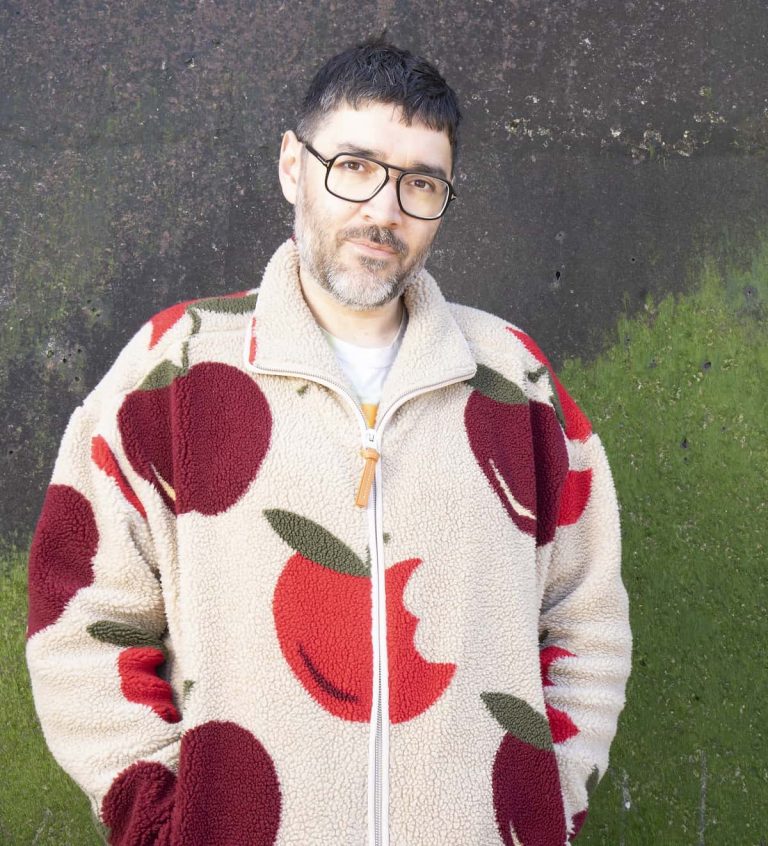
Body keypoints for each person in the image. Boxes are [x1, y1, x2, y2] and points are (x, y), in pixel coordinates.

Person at [26, 38, 631, 846]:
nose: (385, 210)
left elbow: (587, 619)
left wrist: (534, 810)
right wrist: (171, 825)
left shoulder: (512, 381)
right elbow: (79, 619)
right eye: (355, 165)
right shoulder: (175, 367)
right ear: (292, 165)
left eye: (421, 183)